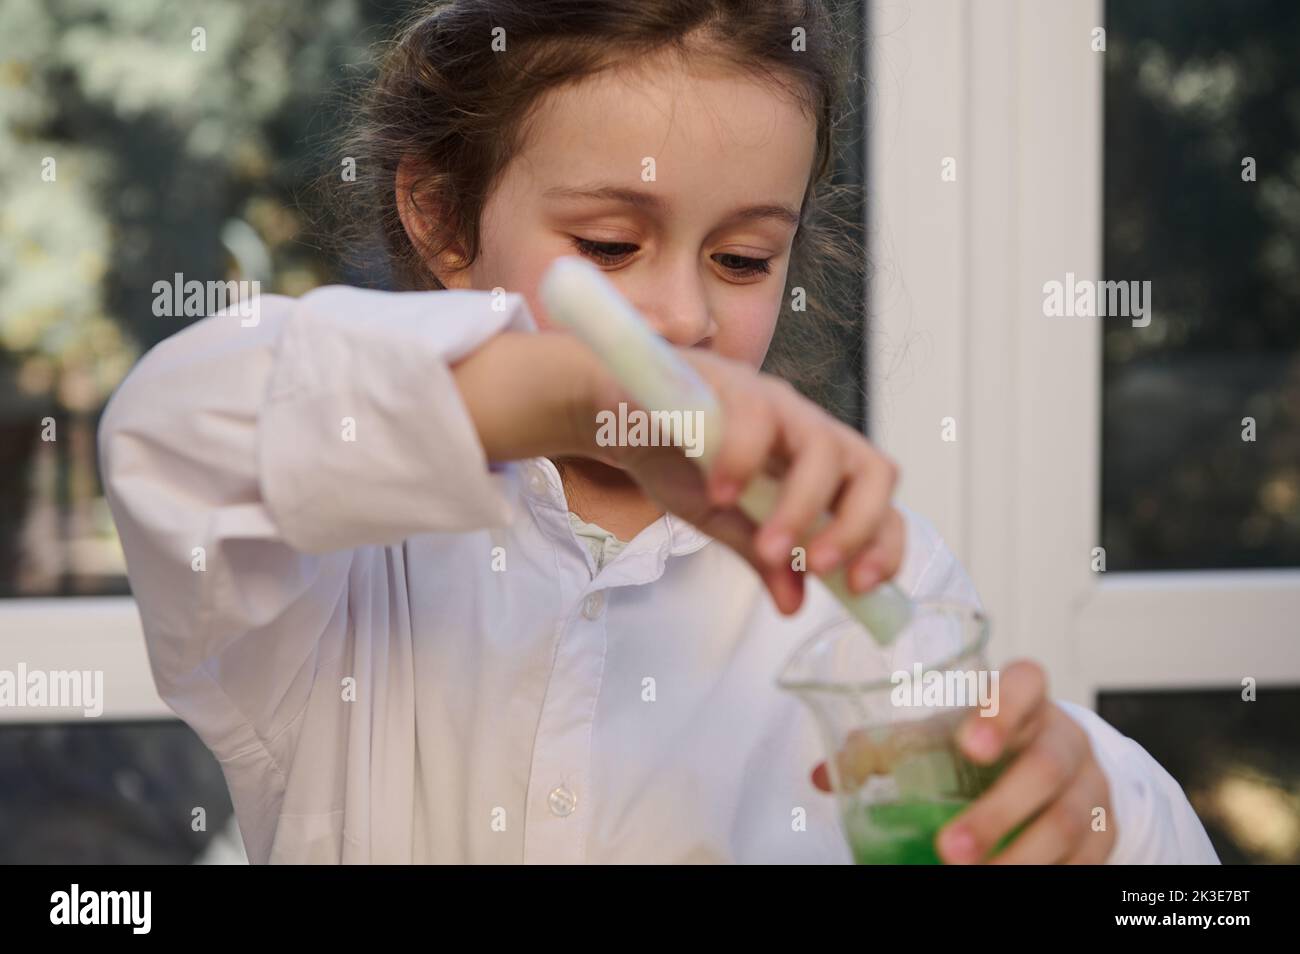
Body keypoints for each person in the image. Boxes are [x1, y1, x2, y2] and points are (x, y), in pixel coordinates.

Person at [99, 0, 1218, 864]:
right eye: (607, 245)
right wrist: (568, 389)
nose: (684, 316)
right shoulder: (341, 564)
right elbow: (176, 433)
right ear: (441, 215)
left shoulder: (866, 582)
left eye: (741, 260)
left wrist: (1097, 813)